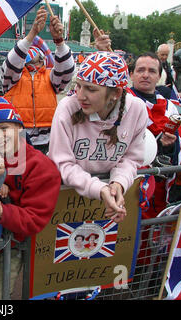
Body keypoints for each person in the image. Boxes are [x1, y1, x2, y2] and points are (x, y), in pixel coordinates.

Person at [0, 71, 62, 298]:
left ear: (19, 128)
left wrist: (2, 209)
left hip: (9, 247)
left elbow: (35, 218)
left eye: (4, 128)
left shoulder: (41, 167)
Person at [49, 51, 149, 222]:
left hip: (108, 197)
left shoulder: (137, 110)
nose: (80, 95)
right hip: (66, 199)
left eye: (91, 89)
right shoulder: (67, 107)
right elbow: (62, 163)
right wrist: (99, 189)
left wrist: (118, 183)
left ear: (116, 93)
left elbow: (132, 159)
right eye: (78, 86)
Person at [0, 6, 75, 154]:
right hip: (18, 140)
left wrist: (59, 41)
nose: (32, 65)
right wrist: (32, 33)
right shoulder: (12, 78)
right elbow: (11, 62)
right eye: (28, 62)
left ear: (43, 61)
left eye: (37, 61)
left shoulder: (51, 78)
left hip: (48, 141)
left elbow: (67, 71)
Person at [127, 52, 181, 218]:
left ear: (159, 76)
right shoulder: (123, 101)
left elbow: (180, 144)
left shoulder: (170, 107)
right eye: (140, 70)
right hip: (131, 181)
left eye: (152, 71)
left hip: (159, 183)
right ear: (132, 74)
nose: (146, 75)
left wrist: (170, 145)